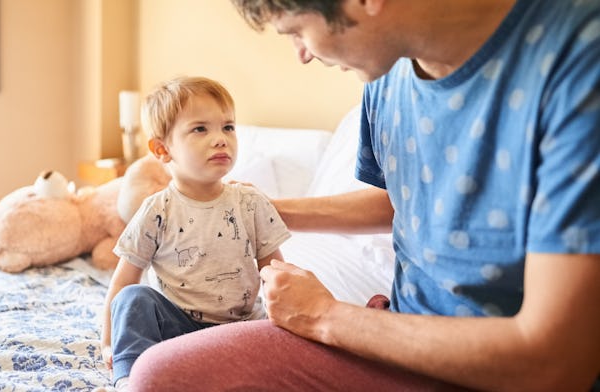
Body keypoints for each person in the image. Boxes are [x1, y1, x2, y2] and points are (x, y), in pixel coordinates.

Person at [125, 1, 600, 391]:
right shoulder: (384, 77)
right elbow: (401, 200)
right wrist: (253, 207)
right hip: (398, 343)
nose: (301, 55)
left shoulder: (578, 57)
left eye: (296, 31)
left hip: (505, 368)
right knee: (159, 374)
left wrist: (327, 316)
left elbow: (556, 361)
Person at [100, 76, 291, 390]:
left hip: (239, 329)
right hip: (175, 331)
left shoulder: (251, 203)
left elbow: (277, 274)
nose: (220, 139)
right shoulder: (156, 211)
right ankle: (128, 381)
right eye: (200, 129)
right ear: (162, 149)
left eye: (228, 127)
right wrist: (109, 343)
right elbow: (123, 282)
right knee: (134, 298)